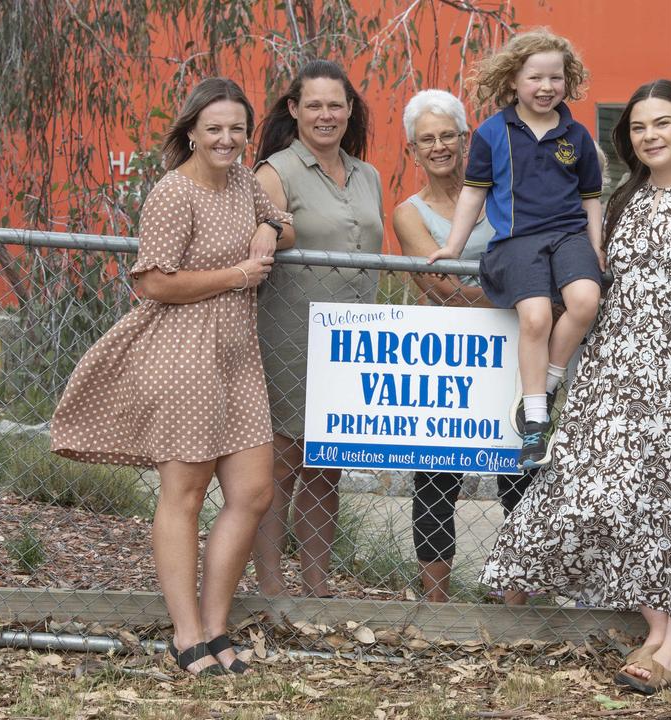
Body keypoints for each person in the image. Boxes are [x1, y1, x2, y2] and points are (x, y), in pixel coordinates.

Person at [479, 79, 671, 695]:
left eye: (662, 123)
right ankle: (654, 625)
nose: (651, 136)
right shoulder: (624, 202)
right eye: (639, 127)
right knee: (613, 499)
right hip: (616, 376)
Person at [51, 77, 295, 676]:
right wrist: (239, 274)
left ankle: (216, 626)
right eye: (214, 128)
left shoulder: (243, 180)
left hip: (238, 355)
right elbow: (152, 281)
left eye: (237, 127)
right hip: (182, 354)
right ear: (191, 131)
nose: (227, 138)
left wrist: (268, 229)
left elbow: (282, 221)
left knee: (253, 492)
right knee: (184, 495)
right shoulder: (173, 193)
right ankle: (187, 635)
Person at [426, 28, 604, 471]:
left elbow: (590, 200)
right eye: (535, 78)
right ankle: (536, 423)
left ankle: (545, 384)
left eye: (556, 79)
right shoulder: (492, 132)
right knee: (537, 317)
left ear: (568, 81)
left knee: (585, 300)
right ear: (513, 82)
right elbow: (472, 194)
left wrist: (596, 248)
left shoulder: (576, 135)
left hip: (568, 236)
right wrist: (453, 244)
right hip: (516, 240)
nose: (546, 87)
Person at [249, 60, 385, 599]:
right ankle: (272, 586)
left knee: (326, 468)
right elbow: (265, 232)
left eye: (335, 105)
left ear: (349, 110)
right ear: (294, 110)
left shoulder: (368, 174)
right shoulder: (275, 171)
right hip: (289, 337)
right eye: (314, 105)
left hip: (352, 344)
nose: (326, 115)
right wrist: (270, 227)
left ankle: (317, 585)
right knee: (282, 465)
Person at [393, 88, 532, 604]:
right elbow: (442, 291)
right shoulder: (409, 213)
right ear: (413, 150)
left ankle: (515, 599)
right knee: (435, 477)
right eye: (425, 139)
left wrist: (508, 286)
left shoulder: (504, 194)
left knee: (518, 472)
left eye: (447, 135)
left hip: (517, 355)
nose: (438, 147)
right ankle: (437, 603)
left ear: (465, 137)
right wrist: (511, 289)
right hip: (446, 361)